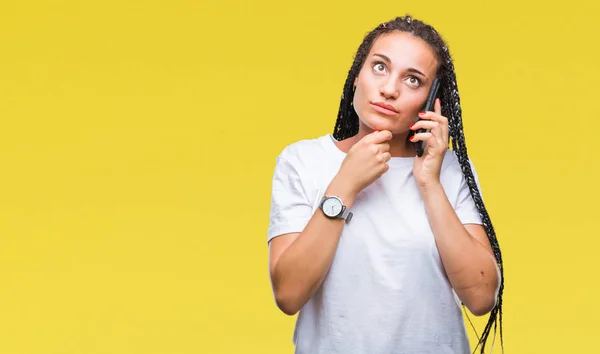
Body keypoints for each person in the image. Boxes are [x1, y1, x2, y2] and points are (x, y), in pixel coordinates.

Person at [266, 14, 504, 354]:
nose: (389, 89)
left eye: (413, 80)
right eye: (380, 67)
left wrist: (429, 183)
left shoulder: (448, 171)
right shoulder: (302, 162)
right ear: (356, 78)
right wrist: (345, 184)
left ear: (430, 102)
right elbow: (288, 294)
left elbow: (481, 297)